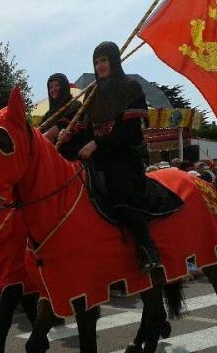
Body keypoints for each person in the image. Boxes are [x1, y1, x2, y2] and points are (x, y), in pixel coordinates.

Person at [59, 41, 160, 273]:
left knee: (121, 194)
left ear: (114, 61)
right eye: (96, 62)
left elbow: (130, 131)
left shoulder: (130, 88)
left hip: (122, 157)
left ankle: (148, 250)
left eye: (103, 60)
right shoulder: (93, 96)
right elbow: (85, 130)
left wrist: (97, 142)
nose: (100, 65)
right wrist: (69, 134)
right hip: (97, 159)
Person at [40, 73, 82, 159]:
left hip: (71, 159)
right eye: (50, 87)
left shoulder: (75, 105)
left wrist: (38, 140)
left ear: (64, 87)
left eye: (57, 85)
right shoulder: (48, 115)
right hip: (50, 158)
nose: (53, 89)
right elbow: (40, 130)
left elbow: (62, 126)